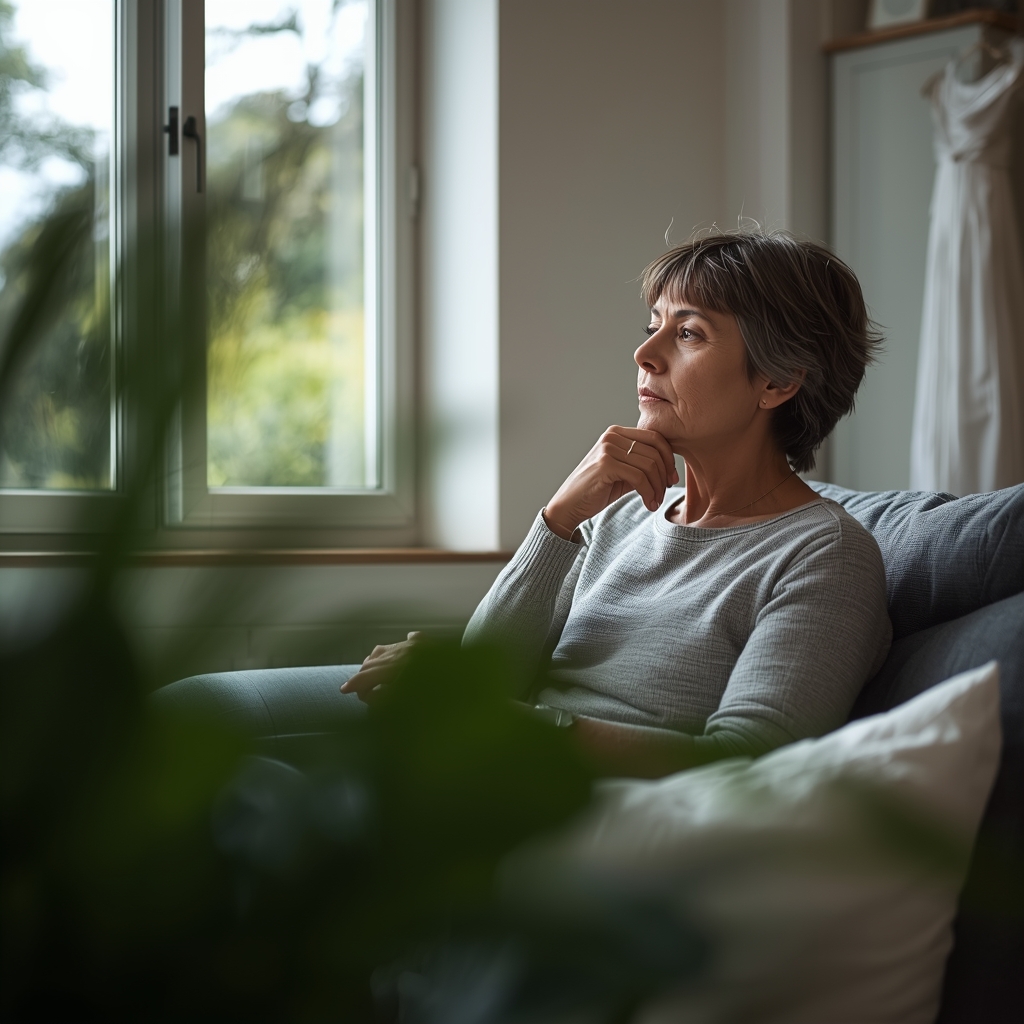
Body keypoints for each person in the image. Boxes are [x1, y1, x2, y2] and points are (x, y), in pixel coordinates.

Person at [343, 230, 892, 778]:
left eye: (689, 334)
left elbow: (750, 760)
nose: (645, 354)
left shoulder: (826, 556)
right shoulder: (622, 516)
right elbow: (492, 678)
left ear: (778, 381)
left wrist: (513, 726)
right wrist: (556, 522)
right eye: (654, 328)